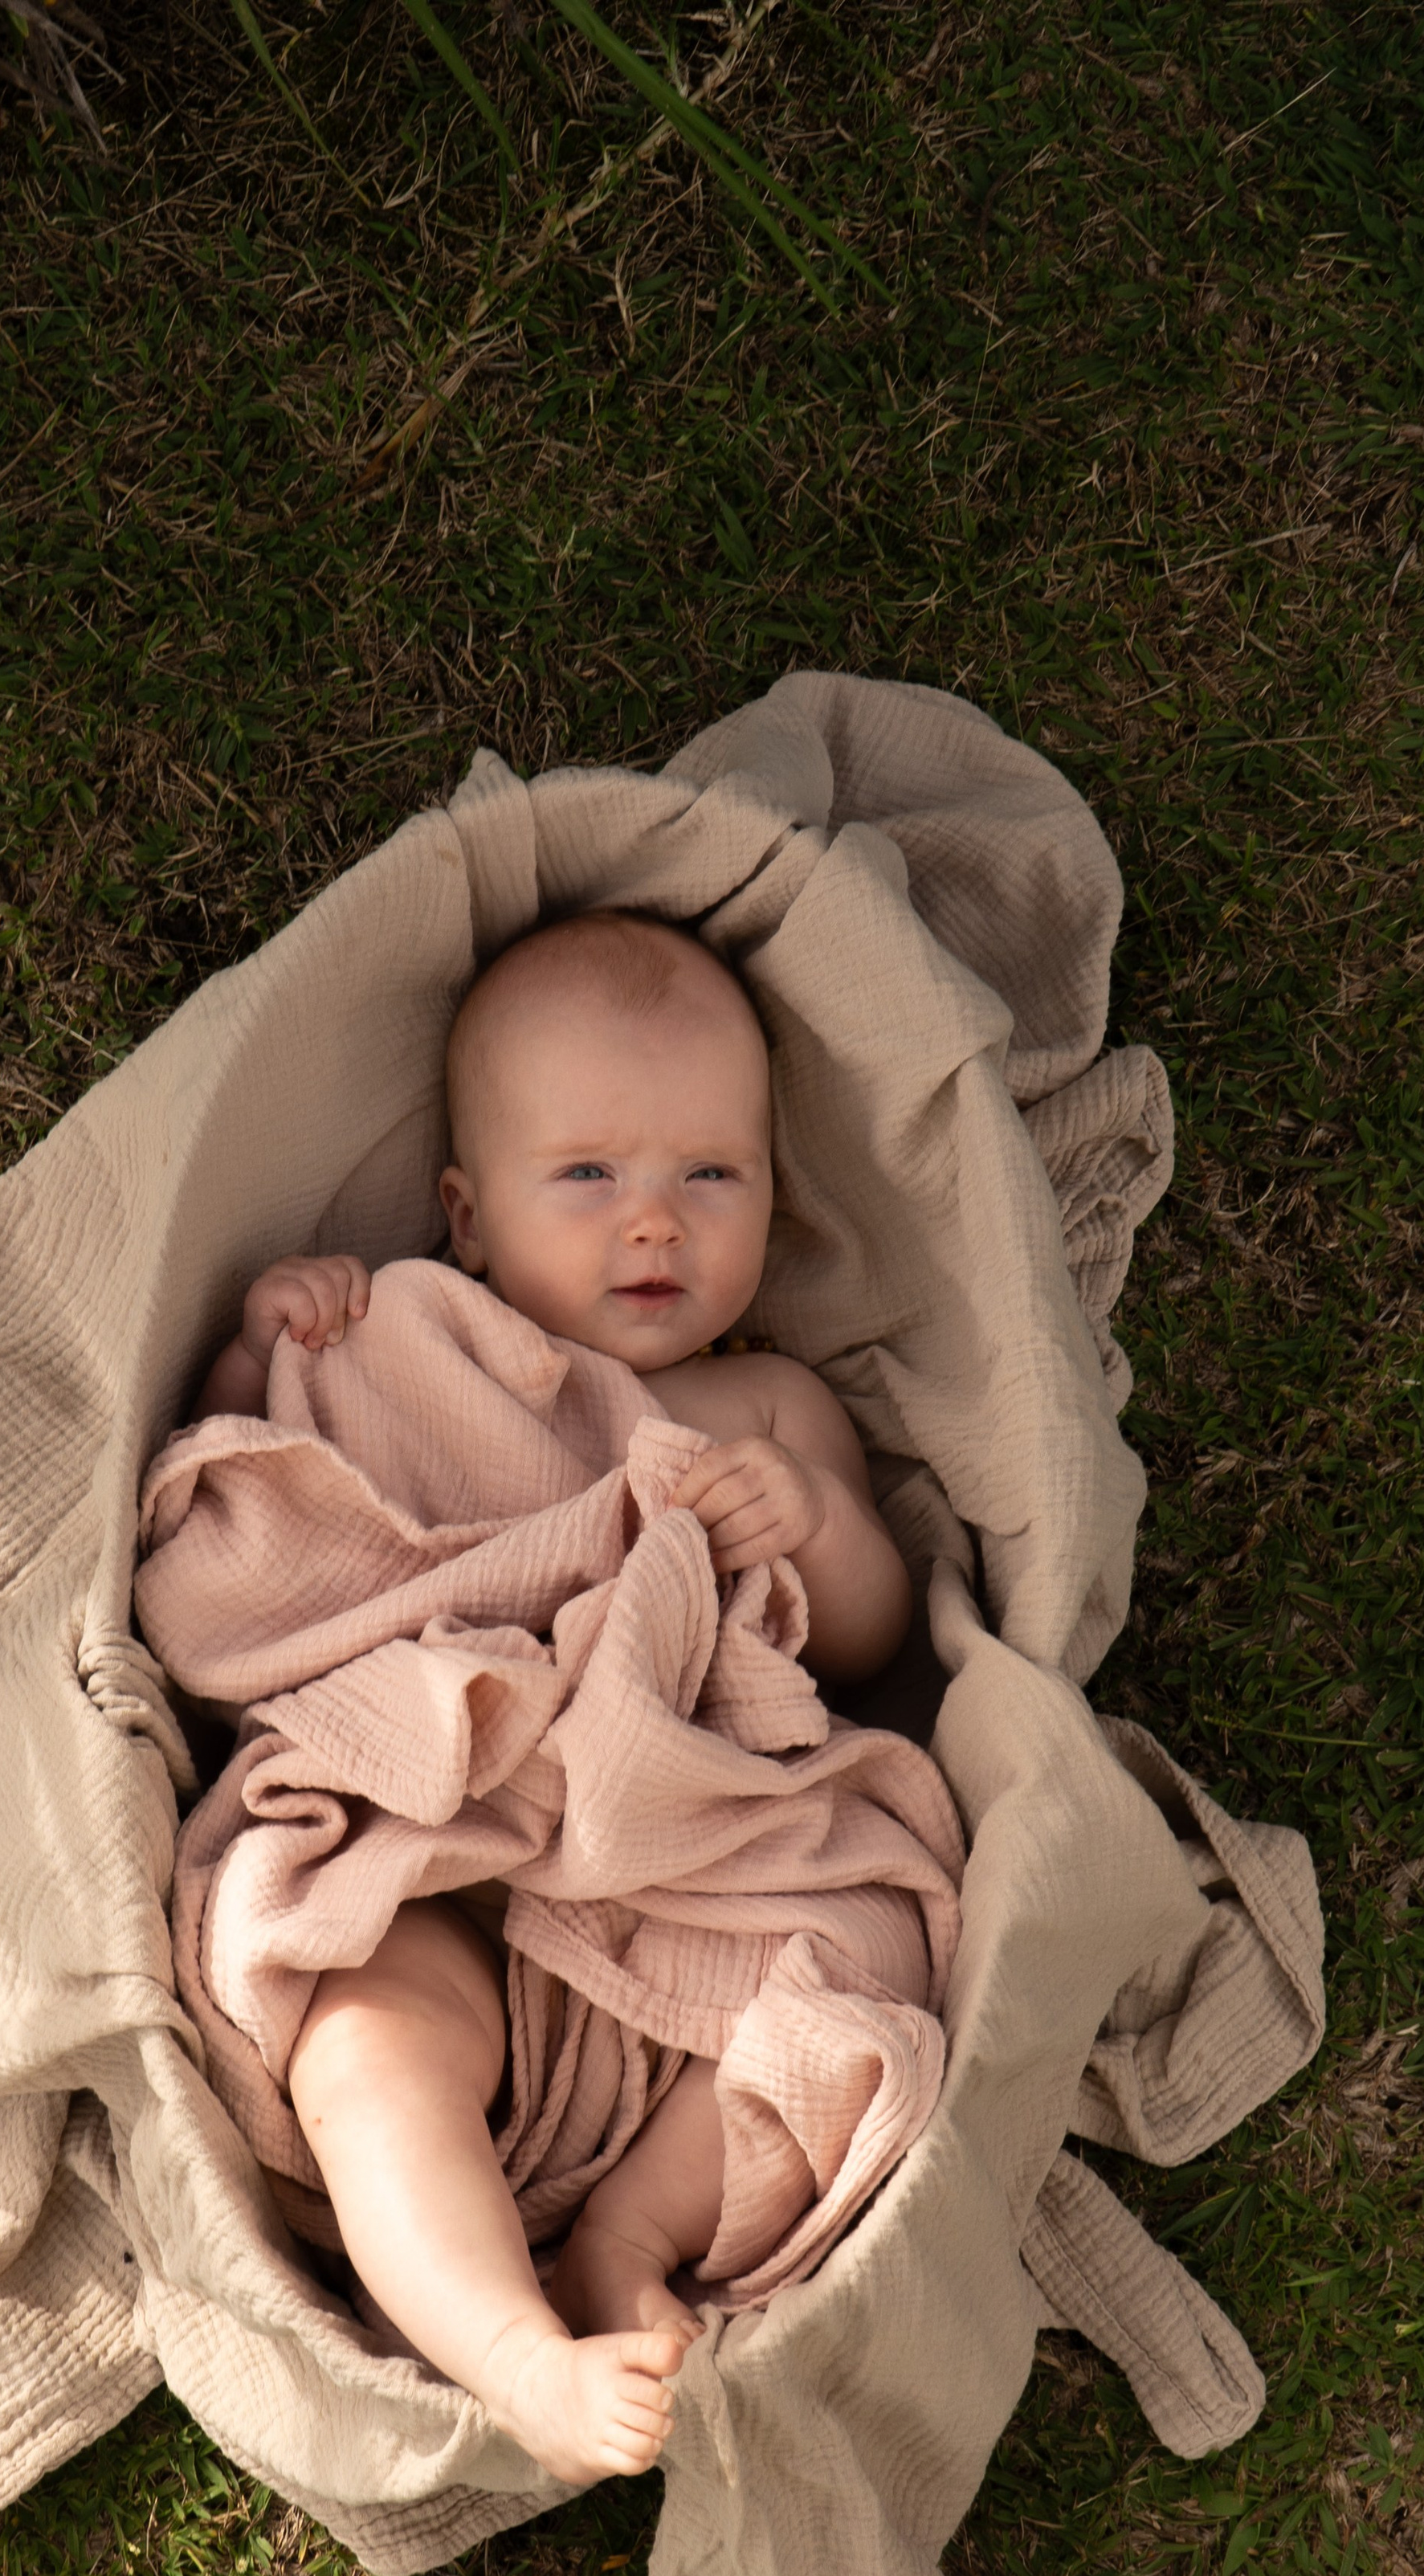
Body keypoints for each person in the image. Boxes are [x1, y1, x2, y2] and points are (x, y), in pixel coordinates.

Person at [188, 912, 915, 2488]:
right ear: (463, 1214)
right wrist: (268, 1360)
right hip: (453, 1837)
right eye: (585, 1175)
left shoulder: (764, 1404)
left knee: (873, 1951)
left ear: (771, 1202)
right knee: (362, 2027)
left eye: (707, 1176)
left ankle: (623, 2247)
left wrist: (813, 1521)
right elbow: (264, 1536)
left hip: (690, 1870)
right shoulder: (407, 1350)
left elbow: (866, 1638)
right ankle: (511, 2350)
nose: (651, 1223)